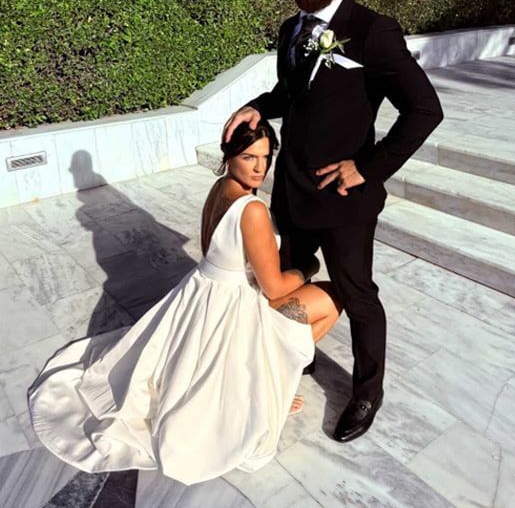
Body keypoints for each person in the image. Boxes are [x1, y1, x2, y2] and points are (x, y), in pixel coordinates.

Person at [224, 0, 443, 443]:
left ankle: (368, 390)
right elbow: (291, 94)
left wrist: (367, 167)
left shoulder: (373, 30)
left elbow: (424, 109)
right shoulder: (290, 31)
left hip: (345, 200)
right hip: (292, 191)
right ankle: (296, 353)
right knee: (286, 280)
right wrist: (257, 106)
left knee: (357, 294)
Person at [28, 121, 341, 486]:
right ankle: (275, 388)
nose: (259, 167)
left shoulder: (220, 187)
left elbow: (214, 250)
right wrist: (306, 268)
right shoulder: (252, 209)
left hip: (201, 291)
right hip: (232, 305)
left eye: (265, 157)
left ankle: (273, 377)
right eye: (248, 157)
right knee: (334, 296)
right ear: (229, 155)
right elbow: (273, 288)